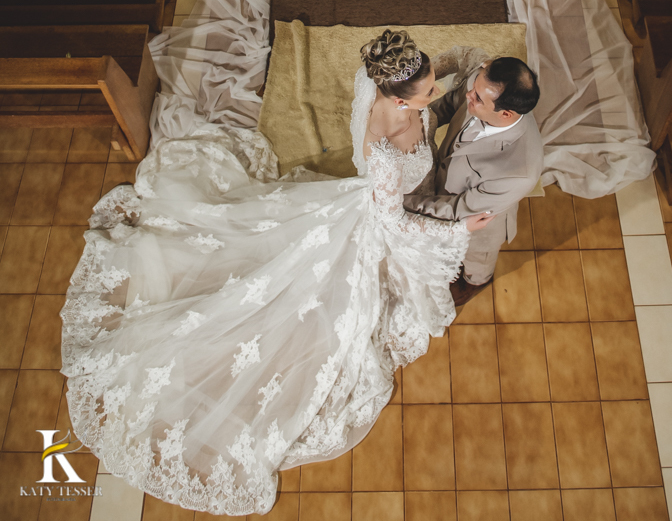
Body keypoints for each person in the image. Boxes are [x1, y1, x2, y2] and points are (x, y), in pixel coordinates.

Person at [61, 29, 490, 516]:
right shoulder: (387, 155)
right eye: (426, 91)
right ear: (396, 97)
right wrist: (456, 228)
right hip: (374, 217)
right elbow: (392, 220)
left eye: (432, 85)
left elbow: (424, 93)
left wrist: (464, 79)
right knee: (317, 314)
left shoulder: (378, 86)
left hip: (361, 200)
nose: (432, 95)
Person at [404, 46, 543, 306]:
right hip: (445, 190)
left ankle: (475, 283)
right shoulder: (481, 86)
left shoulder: (519, 172)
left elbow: (461, 209)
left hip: (481, 223)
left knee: (477, 260)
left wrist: (405, 204)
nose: (469, 94)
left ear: (506, 114)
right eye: (474, 88)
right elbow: (448, 106)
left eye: (477, 98)